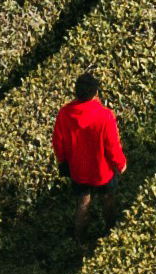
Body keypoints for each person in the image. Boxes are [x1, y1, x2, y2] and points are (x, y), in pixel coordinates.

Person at [52, 71, 126, 234]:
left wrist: (63, 161)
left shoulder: (64, 114)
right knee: (107, 201)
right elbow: (112, 145)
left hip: (78, 170)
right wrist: (121, 164)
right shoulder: (105, 116)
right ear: (96, 93)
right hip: (102, 171)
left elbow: (58, 142)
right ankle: (110, 232)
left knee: (83, 203)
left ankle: (81, 239)